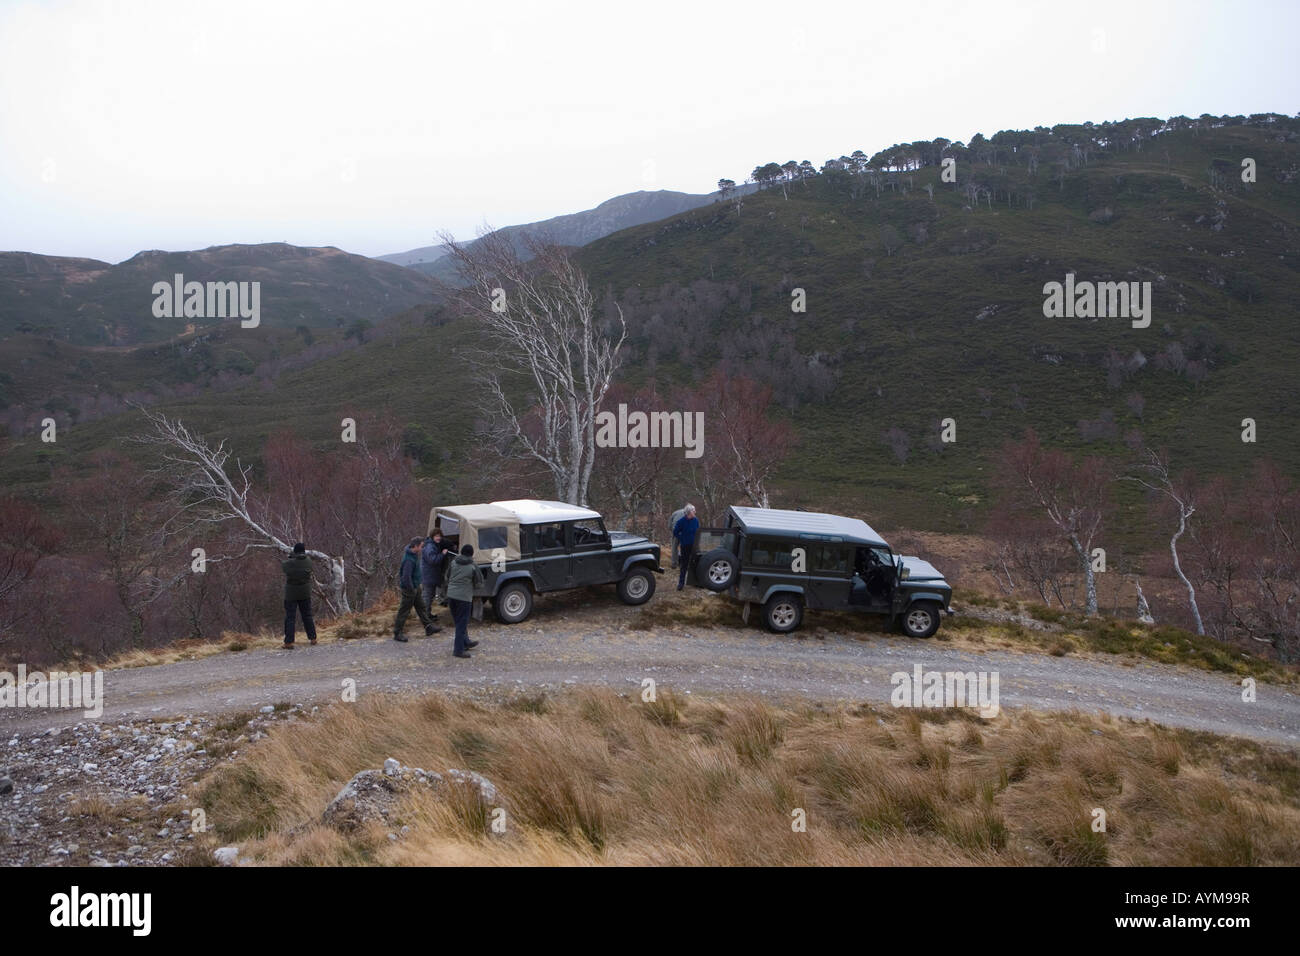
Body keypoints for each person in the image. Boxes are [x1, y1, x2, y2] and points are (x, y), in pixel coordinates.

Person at [394, 537, 437, 642]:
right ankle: (397, 633)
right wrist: (411, 588)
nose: (422, 548)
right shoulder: (409, 559)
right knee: (404, 611)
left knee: (421, 607)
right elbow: (406, 577)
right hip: (410, 589)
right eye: (421, 546)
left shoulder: (414, 555)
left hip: (415, 587)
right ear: (416, 546)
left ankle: (428, 627)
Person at [445, 543, 485, 659]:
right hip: (464, 598)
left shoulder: (453, 562)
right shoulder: (473, 565)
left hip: (451, 596)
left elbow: (447, 577)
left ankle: (466, 642)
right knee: (461, 624)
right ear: (471, 554)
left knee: (459, 621)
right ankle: (458, 650)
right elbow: (479, 583)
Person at [281, 542, 317, 648]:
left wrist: (291, 557)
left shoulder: (291, 563)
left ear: (295, 551)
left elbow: (284, 566)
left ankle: (289, 642)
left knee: (290, 617)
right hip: (305, 592)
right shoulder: (309, 561)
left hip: (291, 593)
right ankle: (313, 637)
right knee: (307, 615)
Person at [421, 530, 452, 617]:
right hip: (429, 576)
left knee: (430, 596)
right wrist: (442, 554)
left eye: (439, 536)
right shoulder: (430, 547)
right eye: (436, 536)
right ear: (432, 537)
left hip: (431, 575)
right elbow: (433, 560)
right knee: (427, 597)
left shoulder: (434, 544)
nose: (438, 538)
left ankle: (427, 615)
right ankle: (425, 618)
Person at [673, 504, 700, 591]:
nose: (695, 512)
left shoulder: (696, 520)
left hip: (694, 546)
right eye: (693, 510)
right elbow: (675, 532)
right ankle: (681, 583)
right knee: (684, 565)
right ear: (689, 512)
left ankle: (696, 582)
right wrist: (682, 539)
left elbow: (698, 531)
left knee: (695, 563)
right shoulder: (681, 521)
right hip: (685, 546)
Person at [668, 505, 687, 570]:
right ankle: (682, 564)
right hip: (685, 532)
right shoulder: (690, 513)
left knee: (674, 547)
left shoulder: (675, 512)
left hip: (675, 531)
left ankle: (674, 564)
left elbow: (669, 524)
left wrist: (673, 531)